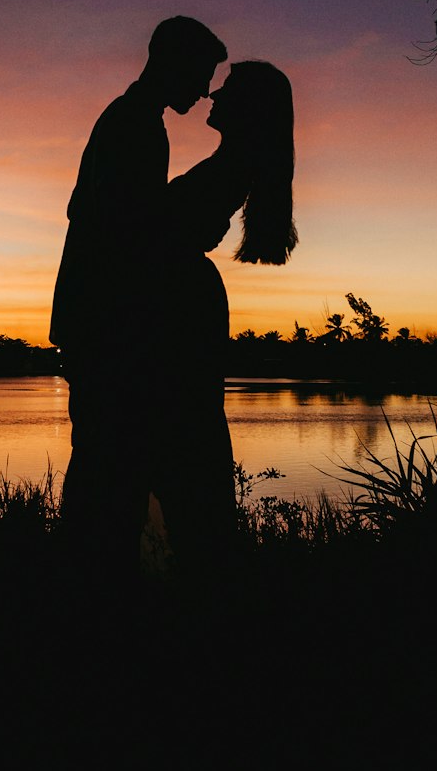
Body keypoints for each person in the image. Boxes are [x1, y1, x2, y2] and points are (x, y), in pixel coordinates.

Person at [50, 16, 228, 576]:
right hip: (108, 331)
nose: (203, 91)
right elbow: (127, 237)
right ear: (171, 61)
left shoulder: (131, 121)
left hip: (100, 327)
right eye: (201, 74)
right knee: (110, 475)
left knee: (110, 473)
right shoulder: (135, 128)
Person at [150, 60, 298, 571]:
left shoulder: (236, 163)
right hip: (184, 296)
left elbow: (164, 230)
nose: (212, 96)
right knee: (182, 435)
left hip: (182, 304)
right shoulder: (235, 161)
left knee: (181, 436)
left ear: (250, 108)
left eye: (227, 91)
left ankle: (195, 569)